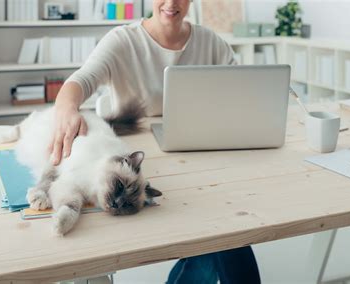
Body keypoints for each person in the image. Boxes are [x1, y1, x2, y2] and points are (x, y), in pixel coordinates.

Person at [49, 0, 261, 282]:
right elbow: (82, 80)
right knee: (223, 237)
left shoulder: (210, 42)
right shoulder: (123, 40)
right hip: (140, 168)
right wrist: (66, 108)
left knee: (228, 228)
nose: (171, 3)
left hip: (200, 161)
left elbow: (241, 89)